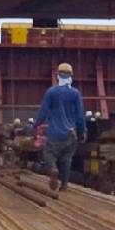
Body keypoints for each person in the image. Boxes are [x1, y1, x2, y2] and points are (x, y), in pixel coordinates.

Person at [32, 62, 86, 192]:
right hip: (70, 134)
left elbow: (43, 112)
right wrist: (82, 132)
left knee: (49, 154)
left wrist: (35, 125)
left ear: (58, 76)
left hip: (54, 134)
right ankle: (64, 185)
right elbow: (80, 116)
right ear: (71, 76)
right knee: (67, 159)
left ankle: (53, 169)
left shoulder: (51, 92)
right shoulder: (75, 93)